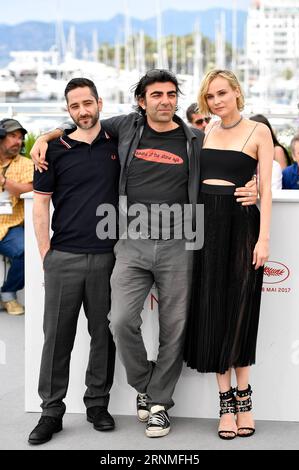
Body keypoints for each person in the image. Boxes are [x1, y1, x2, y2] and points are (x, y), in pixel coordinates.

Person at [30, 69, 258, 439]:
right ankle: (147, 384)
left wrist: (255, 187)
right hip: (130, 243)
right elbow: (85, 120)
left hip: (179, 244)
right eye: (156, 95)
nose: (164, 101)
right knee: (118, 320)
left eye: (171, 94)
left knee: (175, 328)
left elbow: (235, 159)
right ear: (142, 100)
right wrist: (47, 134)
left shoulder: (195, 137)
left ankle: (158, 406)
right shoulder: (126, 128)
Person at [28, 78, 119, 446]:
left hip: (108, 257)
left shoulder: (118, 141)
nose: (83, 111)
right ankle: (51, 411)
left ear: (99, 102)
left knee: (103, 335)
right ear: (68, 110)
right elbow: (40, 206)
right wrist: (46, 256)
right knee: (57, 338)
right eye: (74, 106)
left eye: (88, 103)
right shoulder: (51, 151)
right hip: (63, 256)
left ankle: (97, 404)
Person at [184, 70, 273, 440]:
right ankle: (225, 405)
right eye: (210, 96)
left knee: (240, 310)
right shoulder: (207, 132)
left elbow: (265, 189)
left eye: (222, 93)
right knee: (213, 310)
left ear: (237, 92)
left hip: (242, 227)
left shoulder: (259, 132)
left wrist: (263, 238)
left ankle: (245, 402)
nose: (216, 101)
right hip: (208, 226)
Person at [0, 119, 33, 315]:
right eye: (12, 136)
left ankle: (8, 294)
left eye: (20, 138)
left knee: (26, 250)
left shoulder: (26, 164)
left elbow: (27, 190)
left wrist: (4, 181)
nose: (17, 142)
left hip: (10, 227)